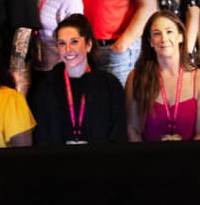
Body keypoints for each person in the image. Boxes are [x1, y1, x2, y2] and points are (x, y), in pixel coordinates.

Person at [29, 14, 127, 145]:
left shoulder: (110, 85)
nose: (68, 49)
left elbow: (118, 134)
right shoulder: (45, 86)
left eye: (74, 42)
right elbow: (41, 136)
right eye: (62, 43)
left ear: (88, 45)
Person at [127, 13, 200, 142]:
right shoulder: (136, 78)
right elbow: (133, 130)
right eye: (157, 33)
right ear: (150, 42)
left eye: (169, 32)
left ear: (181, 36)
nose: (164, 38)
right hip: (148, 159)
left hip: (191, 159)